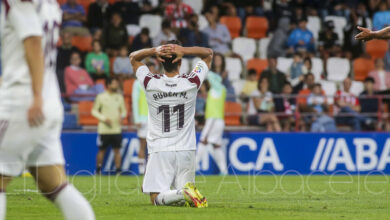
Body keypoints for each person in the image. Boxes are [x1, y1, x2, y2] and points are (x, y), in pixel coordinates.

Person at [0, 0, 95, 219]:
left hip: (25, 101)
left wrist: (35, 96)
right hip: (50, 102)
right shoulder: (51, 4)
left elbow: (33, 40)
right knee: (53, 183)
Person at [129, 40, 212, 207]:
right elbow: (208, 54)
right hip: (186, 149)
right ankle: (184, 193)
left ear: (160, 60)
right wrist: (185, 50)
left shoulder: (150, 82)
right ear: (180, 61)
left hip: (160, 149)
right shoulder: (192, 82)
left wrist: (154, 50)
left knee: (156, 198)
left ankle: (182, 193)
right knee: (181, 203)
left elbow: (133, 58)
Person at [92, 78, 127, 174]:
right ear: (108, 85)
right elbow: (94, 111)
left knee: (117, 150)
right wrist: (104, 118)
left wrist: (122, 116)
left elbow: (124, 111)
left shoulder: (119, 97)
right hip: (104, 129)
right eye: (114, 83)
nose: (116, 85)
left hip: (116, 129)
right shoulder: (101, 97)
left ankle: (118, 170)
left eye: (116, 83)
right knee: (101, 150)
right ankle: (98, 170)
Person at [196, 70, 227, 175]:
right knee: (216, 145)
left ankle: (194, 166)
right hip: (219, 120)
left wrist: (204, 68)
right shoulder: (220, 90)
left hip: (213, 120)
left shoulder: (216, 89)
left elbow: (209, 75)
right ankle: (224, 170)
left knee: (202, 140)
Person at [132, 75, 149, 175]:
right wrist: (137, 119)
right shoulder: (137, 83)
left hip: (154, 119)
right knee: (142, 145)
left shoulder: (155, 81)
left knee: (154, 147)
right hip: (143, 119)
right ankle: (142, 170)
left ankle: (151, 170)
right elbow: (135, 101)